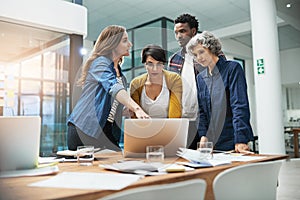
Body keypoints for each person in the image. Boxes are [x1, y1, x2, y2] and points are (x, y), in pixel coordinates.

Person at [67, 25, 149, 151]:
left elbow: (109, 105)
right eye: (125, 40)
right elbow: (113, 87)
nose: (130, 44)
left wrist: (126, 111)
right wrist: (136, 108)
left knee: (118, 159)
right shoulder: (100, 63)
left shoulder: (120, 75)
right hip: (85, 127)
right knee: (88, 168)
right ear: (113, 44)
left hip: (106, 130)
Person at [186, 31, 254, 153]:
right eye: (195, 55)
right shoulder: (201, 78)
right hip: (212, 143)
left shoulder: (232, 69)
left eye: (201, 52)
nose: (199, 58)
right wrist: (203, 135)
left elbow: (239, 106)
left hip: (233, 140)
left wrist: (241, 139)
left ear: (211, 48)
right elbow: (202, 111)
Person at [167, 13, 202, 149]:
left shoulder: (206, 55)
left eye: (182, 31)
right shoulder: (174, 60)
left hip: (203, 119)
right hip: (182, 121)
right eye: (176, 33)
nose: (179, 36)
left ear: (193, 32)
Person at [130, 44, 182, 118]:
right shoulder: (136, 84)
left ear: (163, 64)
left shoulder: (174, 79)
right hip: (143, 128)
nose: (155, 69)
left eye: (159, 64)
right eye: (150, 64)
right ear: (145, 65)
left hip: (169, 128)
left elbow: (175, 114)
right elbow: (135, 116)